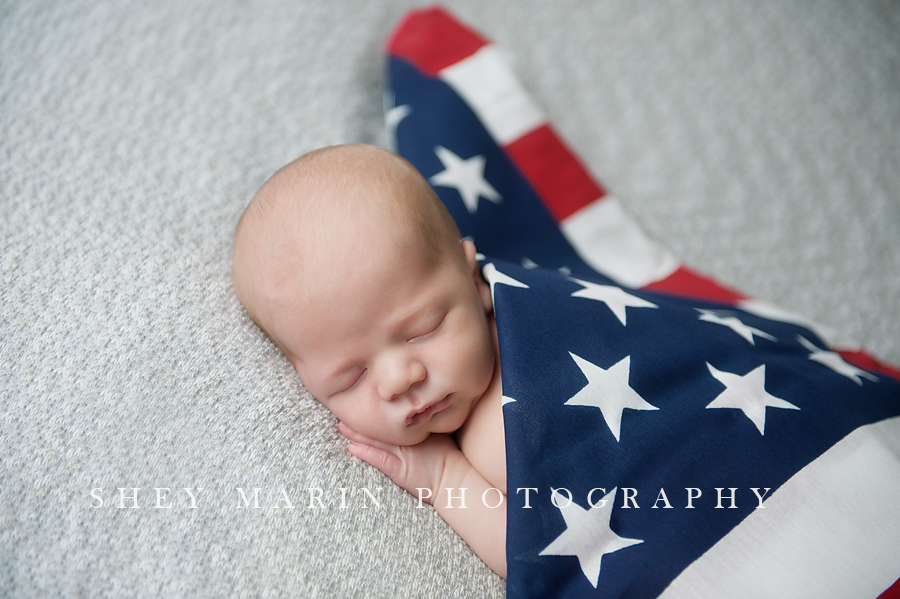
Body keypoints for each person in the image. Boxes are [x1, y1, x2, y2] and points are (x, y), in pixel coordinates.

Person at [231, 144, 507, 577]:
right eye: (351, 377)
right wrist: (444, 480)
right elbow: (556, 556)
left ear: (475, 282)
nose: (399, 379)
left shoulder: (533, 325)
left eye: (424, 329)